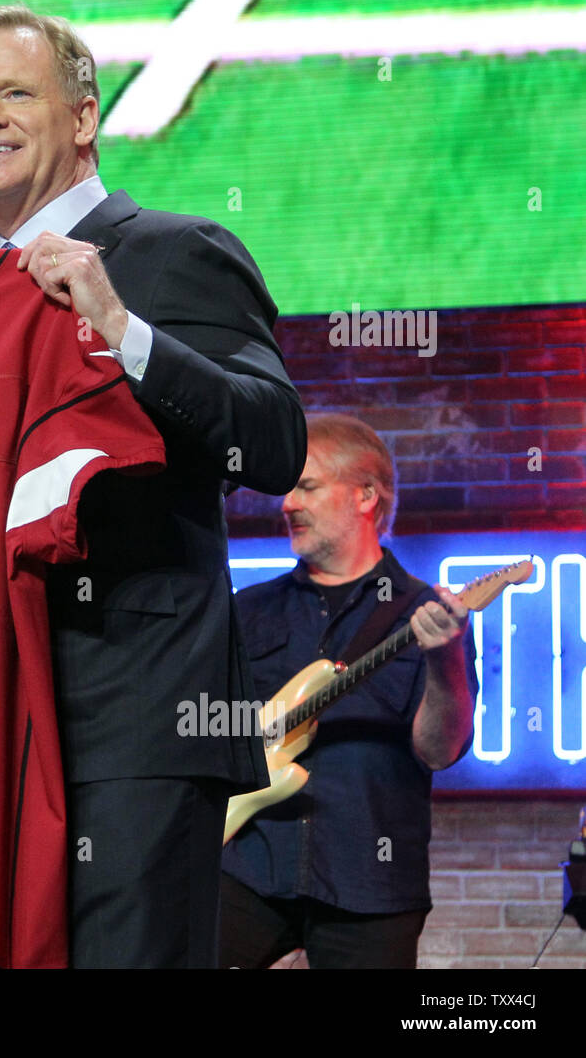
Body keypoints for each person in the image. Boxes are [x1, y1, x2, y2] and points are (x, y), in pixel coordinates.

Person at [0, 4, 306, 967]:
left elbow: (273, 443)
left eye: (15, 92)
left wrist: (122, 328)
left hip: (139, 727)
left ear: (84, 117)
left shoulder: (173, 252)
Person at [219, 413, 478, 969]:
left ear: (366, 496)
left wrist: (446, 657)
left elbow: (439, 749)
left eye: (306, 486)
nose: (286, 503)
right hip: (248, 865)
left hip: (371, 882)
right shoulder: (249, 610)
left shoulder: (423, 614)